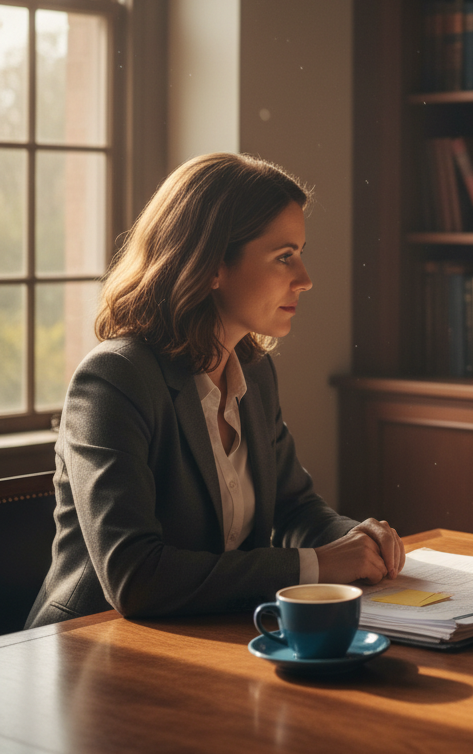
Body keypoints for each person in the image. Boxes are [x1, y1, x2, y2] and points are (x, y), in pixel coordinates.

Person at [27, 153, 404, 628]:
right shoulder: (114, 380)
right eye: (284, 257)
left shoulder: (255, 372)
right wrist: (321, 566)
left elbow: (295, 508)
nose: (305, 280)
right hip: (90, 649)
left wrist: (358, 539)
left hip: (209, 634)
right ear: (210, 266)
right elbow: (135, 576)